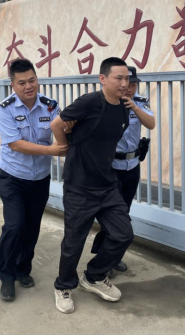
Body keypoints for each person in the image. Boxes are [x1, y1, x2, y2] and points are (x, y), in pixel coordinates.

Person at [50, 57, 134, 314]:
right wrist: (65, 147)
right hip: (79, 185)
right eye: (118, 78)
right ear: (103, 79)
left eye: (127, 78)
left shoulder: (123, 108)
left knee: (123, 234)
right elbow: (57, 124)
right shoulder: (89, 102)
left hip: (107, 185)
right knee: (74, 242)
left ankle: (94, 276)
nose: (124, 83)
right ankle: (63, 285)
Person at [0, 59, 68, 301]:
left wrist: (68, 130)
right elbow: (15, 144)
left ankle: (22, 269)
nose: (28, 86)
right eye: (22, 83)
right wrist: (52, 151)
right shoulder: (5, 109)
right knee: (15, 225)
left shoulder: (50, 106)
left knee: (32, 226)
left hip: (40, 178)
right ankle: (6, 275)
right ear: (13, 85)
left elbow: (62, 131)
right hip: (13, 176)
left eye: (32, 80)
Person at [91, 66, 155, 274]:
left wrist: (134, 107)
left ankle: (113, 256)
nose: (129, 87)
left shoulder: (140, 102)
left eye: (133, 84)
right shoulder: (107, 103)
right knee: (113, 215)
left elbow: (151, 124)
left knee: (123, 212)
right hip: (111, 168)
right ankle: (103, 259)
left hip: (132, 166)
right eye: (126, 82)